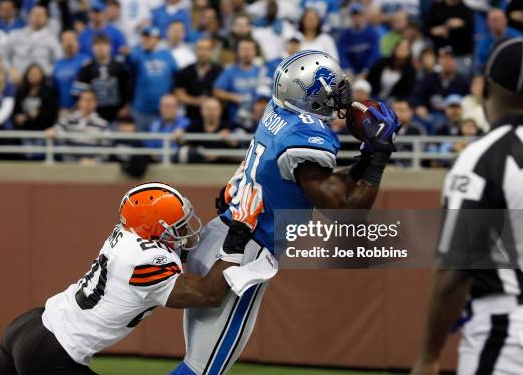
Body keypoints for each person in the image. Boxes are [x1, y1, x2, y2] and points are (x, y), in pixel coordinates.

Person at [171, 50, 401, 375]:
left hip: (221, 233)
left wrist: (366, 155)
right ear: (312, 94)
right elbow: (345, 209)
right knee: (202, 370)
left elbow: (331, 186)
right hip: (242, 254)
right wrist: (378, 156)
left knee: (200, 365)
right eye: (332, 89)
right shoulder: (308, 136)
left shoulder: (280, 109)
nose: (340, 96)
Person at [0, 182, 256, 375]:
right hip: (53, 354)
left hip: (29, 327)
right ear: (153, 229)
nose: (184, 230)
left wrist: (226, 216)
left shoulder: (129, 237)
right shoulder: (146, 261)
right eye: (177, 225)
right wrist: (237, 239)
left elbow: (184, 255)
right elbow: (209, 293)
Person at [411, 37, 523, 375]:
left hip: (507, 331)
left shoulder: (483, 157)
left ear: (486, 90)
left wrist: (428, 356)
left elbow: (455, 269)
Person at [126, 26, 178, 131]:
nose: (146, 40)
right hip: (141, 109)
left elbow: (175, 78)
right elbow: (129, 66)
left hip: (162, 111)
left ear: (157, 39)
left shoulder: (167, 55)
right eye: (144, 37)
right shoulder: (137, 54)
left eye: (149, 37)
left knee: (160, 143)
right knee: (140, 143)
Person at [74, 35, 133, 123]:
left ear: (110, 47)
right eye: (97, 45)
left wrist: (126, 107)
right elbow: (79, 93)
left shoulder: (120, 66)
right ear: (92, 48)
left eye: (104, 45)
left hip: (117, 113)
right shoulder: (86, 67)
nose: (100, 48)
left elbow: (128, 89)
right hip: (94, 115)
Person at [0, 5, 63, 80]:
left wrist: (47, 72)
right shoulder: (16, 34)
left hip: (42, 78)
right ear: (29, 17)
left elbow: (59, 59)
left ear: (46, 19)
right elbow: (1, 54)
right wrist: (10, 70)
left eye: (40, 15)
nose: (37, 18)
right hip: (17, 77)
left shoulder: (52, 38)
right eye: (34, 14)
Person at [46, 90, 109, 164]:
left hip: (92, 167)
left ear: (95, 103)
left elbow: (106, 149)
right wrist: (53, 130)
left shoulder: (102, 124)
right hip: (70, 165)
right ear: (79, 102)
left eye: (89, 100)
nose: (86, 103)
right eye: (84, 100)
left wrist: (93, 162)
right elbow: (58, 127)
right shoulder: (69, 119)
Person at [213, 38, 261, 129]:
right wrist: (234, 97)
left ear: (255, 52)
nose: (246, 53)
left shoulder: (262, 71)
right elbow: (216, 91)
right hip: (236, 121)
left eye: (249, 49)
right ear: (238, 52)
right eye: (243, 49)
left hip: (259, 121)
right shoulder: (230, 71)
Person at [174, 38, 223, 123]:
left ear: (211, 52)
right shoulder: (185, 71)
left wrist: (210, 104)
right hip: (191, 117)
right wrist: (198, 102)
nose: (203, 53)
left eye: (206, 49)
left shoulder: (220, 71)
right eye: (200, 49)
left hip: (216, 119)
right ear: (195, 51)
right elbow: (179, 94)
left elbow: (224, 93)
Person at [176, 97, 234, 163]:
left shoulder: (229, 126)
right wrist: (179, 134)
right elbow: (183, 141)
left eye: (214, 109)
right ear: (201, 110)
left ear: (220, 111)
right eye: (208, 109)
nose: (211, 113)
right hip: (198, 166)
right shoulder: (194, 126)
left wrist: (231, 139)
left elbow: (237, 145)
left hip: (222, 165)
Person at [337, 3, 380, 79]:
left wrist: (365, 71)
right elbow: (342, 55)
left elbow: (374, 54)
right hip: (350, 73)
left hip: (369, 72)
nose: (356, 18)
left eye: (359, 15)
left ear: (363, 16)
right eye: (353, 16)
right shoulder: (344, 35)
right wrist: (348, 70)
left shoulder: (372, 32)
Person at [13, 64, 59, 131]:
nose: (34, 76)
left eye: (36, 73)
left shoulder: (49, 91)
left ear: (42, 75)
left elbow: (53, 112)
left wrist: (39, 114)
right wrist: (19, 117)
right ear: (27, 75)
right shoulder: (21, 91)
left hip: (43, 131)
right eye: (31, 73)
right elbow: (15, 111)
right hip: (25, 131)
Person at [53, 30, 90, 110]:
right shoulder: (57, 64)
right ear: (61, 44)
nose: (69, 43)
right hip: (63, 110)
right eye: (65, 40)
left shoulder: (86, 61)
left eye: (72, 40)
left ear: (78, 43)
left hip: (83, 109)